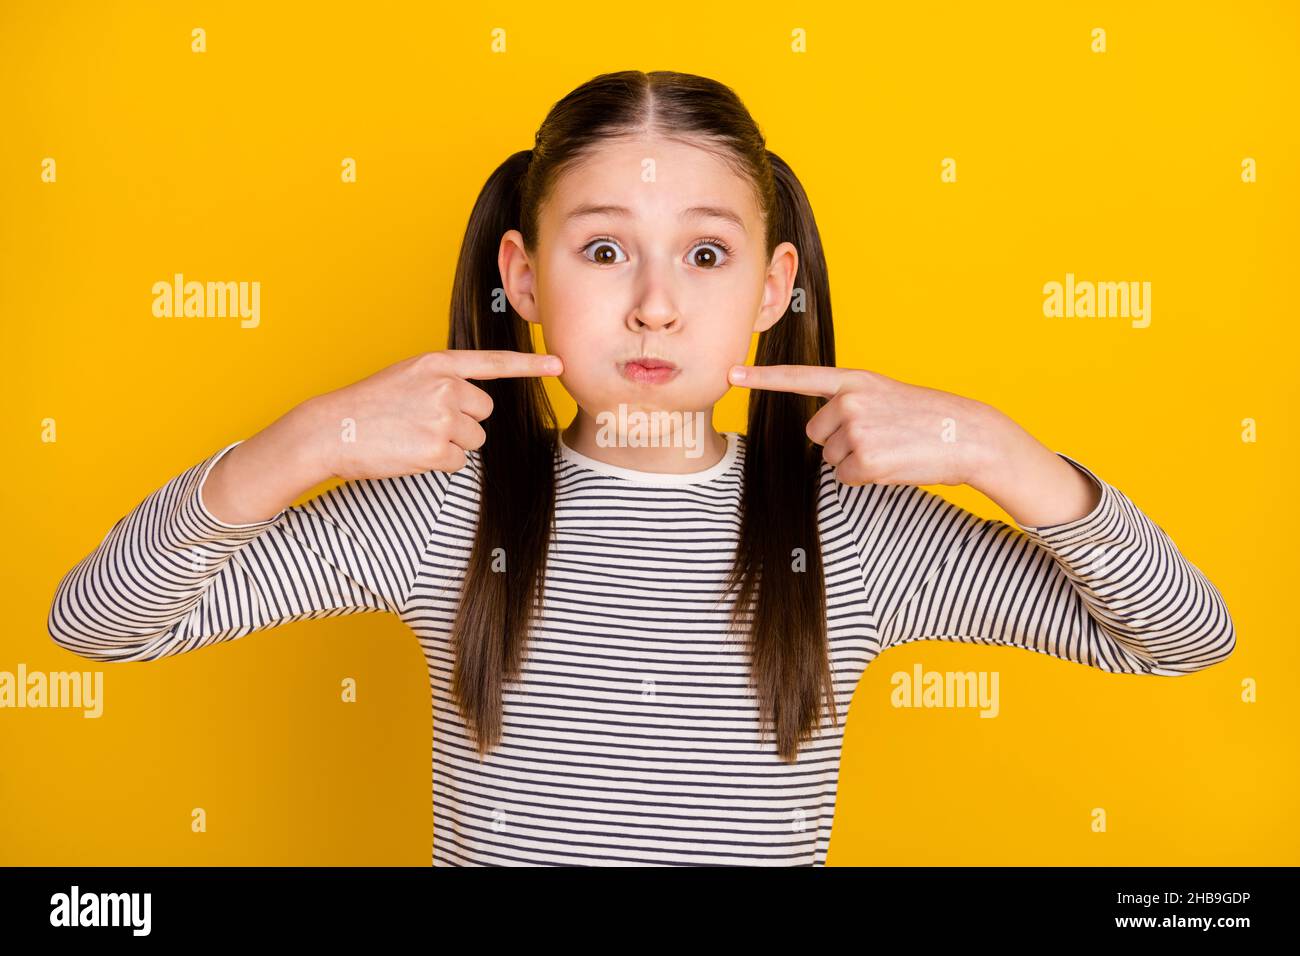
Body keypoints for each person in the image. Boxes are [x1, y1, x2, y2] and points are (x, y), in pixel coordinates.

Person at [48, 70, 1235, 867]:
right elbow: (102, 621)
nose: (656, 307)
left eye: (706, 255)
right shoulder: (440, 516)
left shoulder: (856, 534)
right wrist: (310, 440)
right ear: (520, 277)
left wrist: (996, 450)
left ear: (772, 288)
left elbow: (1183, 635)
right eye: (605, 249)